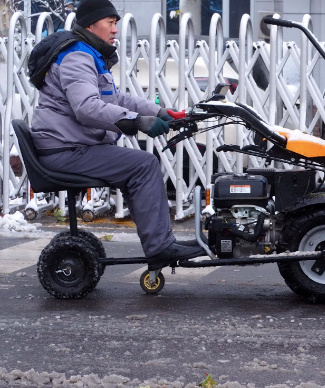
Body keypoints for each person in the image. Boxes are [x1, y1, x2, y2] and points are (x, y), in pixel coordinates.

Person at [28, 0, 205, 270]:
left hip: (68, 146)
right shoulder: (77, 56)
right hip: (66, 150)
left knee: (138, 165)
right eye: (110, 23)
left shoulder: (86, 53)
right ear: (90, 25)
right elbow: (87, 108)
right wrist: (138, 122)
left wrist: (159, 112)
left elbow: (116, 97)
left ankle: (160, 242)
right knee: (144, 165)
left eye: (116, 24)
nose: (115, 30)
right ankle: (160, 247)